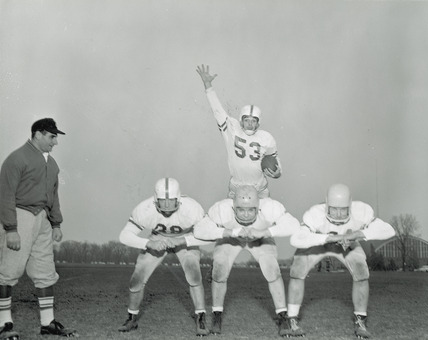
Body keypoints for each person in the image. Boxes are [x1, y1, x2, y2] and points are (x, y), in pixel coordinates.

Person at [0, 118, 77, 339]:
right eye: (52, 136)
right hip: (19, 215)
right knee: (8, 270)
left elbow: (53, 196)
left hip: (42, 218)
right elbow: (5, 196)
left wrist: (56, 222)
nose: (55, 141)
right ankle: (5, 325)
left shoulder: (52, 163)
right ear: (38, 134)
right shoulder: (16, 159)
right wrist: (11, 228)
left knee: (45, 271)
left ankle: (47, 323)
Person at [287, 183, 396, 339]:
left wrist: (357, 234)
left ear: (350, 206)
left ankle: (360, 321)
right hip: (320, 243)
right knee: (297, 269)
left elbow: (388, 230)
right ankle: (292, 319)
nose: (338, 214)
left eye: (343, 209)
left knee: (361, 271)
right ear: (326, 206)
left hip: (348, 244)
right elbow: (296, 238)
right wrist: (330, 238)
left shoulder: (361, 211)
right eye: (334, 209)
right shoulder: (315, 214)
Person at [194, 185, 301, 337]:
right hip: (230, 239)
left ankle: (282, 316)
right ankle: (217, 315)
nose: (245, 215)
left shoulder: (269, 207)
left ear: (258, 208)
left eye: (251, 210)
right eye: (241, 210)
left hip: (260, 239)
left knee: (272, 269)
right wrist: (228, 232)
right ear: (233, 208)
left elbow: (294, 225)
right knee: (220, 269)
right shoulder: (222, 209)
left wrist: (264, 232)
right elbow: (199, 230)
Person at [118, 177, 212, 336]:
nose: (167, 205)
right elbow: (124, 236)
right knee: (137, 279)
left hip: (186, 237)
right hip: (157, 238)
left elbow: (209, 235)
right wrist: (148, 243)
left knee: (194, 274)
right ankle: (131, 318)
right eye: (163, 201)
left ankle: (201, 318)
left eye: (171, 201)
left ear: (179, 198)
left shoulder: (192, 208)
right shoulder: (145, 208)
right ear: (155, 200)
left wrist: (182, 240)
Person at [196, 64, 282, 199]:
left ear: (258, 124)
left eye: (253, 121)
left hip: (260, 190)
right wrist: (208, 86)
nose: (250, 124)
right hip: (237, 189)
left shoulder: (267, 138)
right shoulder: (232, 129)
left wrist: (277, 172)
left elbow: (276, 163)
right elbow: (217, 110)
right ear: (241, 121)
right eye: (246, 120)